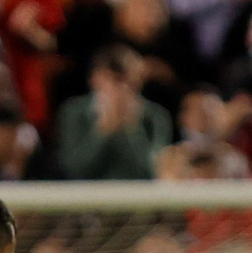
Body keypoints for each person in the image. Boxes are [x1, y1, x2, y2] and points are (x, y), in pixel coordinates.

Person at [55, 45, 172, 181]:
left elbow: (152, 172)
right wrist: (103, 131)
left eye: (131, 82)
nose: (122, 89)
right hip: (87, 198)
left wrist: (132, 130)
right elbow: (73, 170)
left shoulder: (156, 115)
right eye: (115, 80)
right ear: (95, 79)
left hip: (137, 198)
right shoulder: (73, 111)